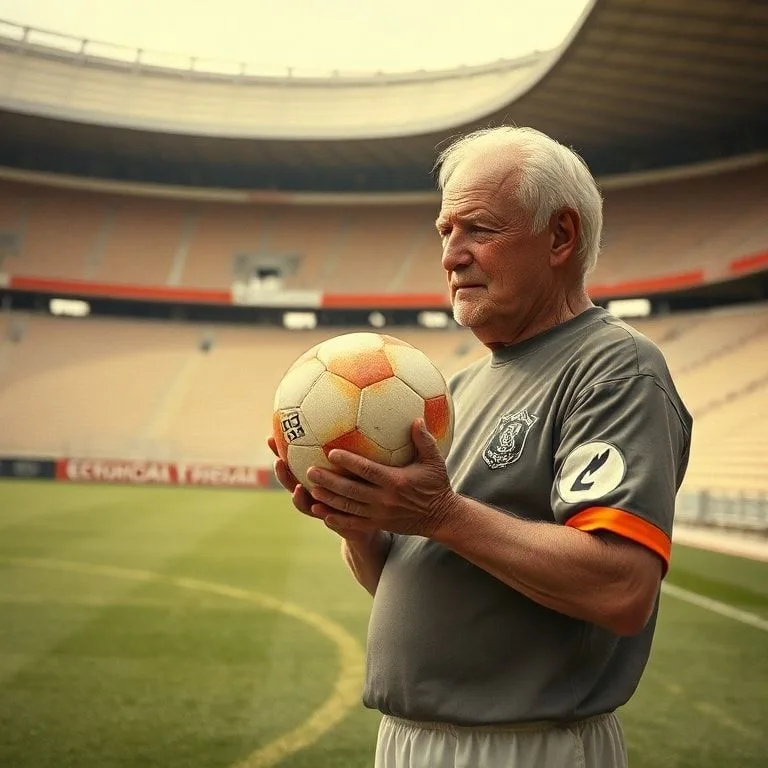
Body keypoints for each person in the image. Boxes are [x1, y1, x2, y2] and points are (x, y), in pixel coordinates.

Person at [268, 126, 692, 768]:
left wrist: (441, 514)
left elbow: (621, 588)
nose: (451, 255)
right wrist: (360, 527)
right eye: (445, 231)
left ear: (560, 237)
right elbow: (411, 580)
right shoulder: (447, 394)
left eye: (480, 230)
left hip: (526, 746)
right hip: (409, 740)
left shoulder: (613, 368)